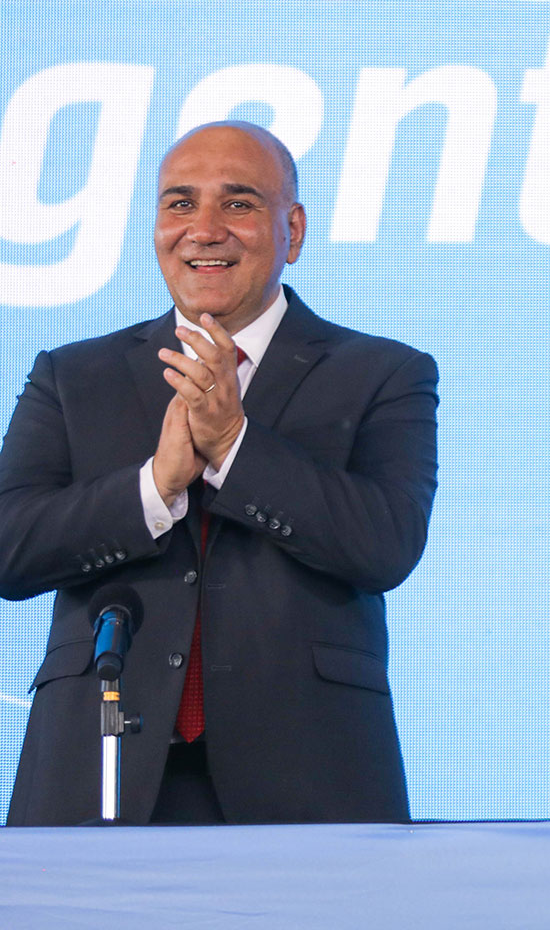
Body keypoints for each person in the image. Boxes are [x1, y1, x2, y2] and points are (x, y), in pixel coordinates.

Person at [1, 122, 438, 825]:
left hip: (310, 777)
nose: (203, 229)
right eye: (179, 204)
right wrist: (156, 484)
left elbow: (384, 544)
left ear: (291, 230)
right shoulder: (73, 376)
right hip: (99, 775)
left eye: (238, 203)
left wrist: (234, 446)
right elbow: (9, 548)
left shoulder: (383, 374)